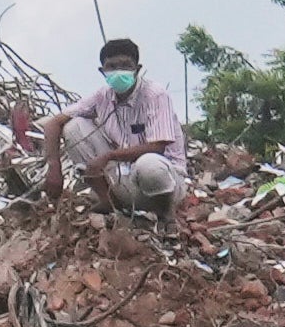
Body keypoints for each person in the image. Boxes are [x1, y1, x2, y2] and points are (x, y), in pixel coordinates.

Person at [42, 36, 187, 222]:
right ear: (102, 71)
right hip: (125, 182)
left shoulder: (154, 95)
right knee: (73, 127)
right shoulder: (102, 96)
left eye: (125, 65)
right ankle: (108, 201)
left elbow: (158, 147)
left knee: (149, 164)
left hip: (165, 185)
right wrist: (54, 167)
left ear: (137, 69)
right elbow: (53, 123)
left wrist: (108, 156)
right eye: (111, 66)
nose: (119, 71)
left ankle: (165, 214)